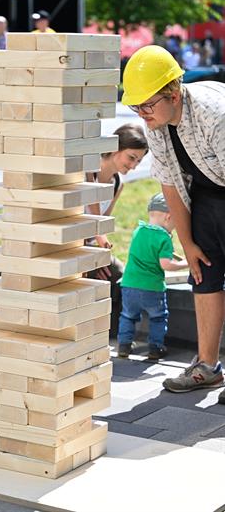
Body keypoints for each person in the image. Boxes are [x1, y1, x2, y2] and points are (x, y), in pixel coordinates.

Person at [122, 44, 225, 400]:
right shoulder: (156, 122)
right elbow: (170, 184)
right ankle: (207, 367)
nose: (141, 113)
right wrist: (189, 243)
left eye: (147, 105)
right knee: (204, 273)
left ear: (174, 93)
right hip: (210, 190)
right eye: (136, 106)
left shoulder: (215, 116)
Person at [85, 123, 149, 334]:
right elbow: (88, 221)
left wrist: (100, 256)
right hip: (67, 246)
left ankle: (112, 336)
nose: (134, 166)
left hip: (89, 247)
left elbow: (101, 225)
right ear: (115, 149)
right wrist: (94, 256)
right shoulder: (87, 172)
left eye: (139, 161)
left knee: (122, 275)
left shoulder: (117, 183)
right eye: (131, 157)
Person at [117, 193, 188, 360]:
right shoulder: (164, 237)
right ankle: (155, 348)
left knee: (128, 315)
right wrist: (187, 263)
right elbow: (166, 265)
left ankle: (124, 346)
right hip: (151, 288)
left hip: (129, 285)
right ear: (169, 217)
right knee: (158, 317)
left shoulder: (138, 231)